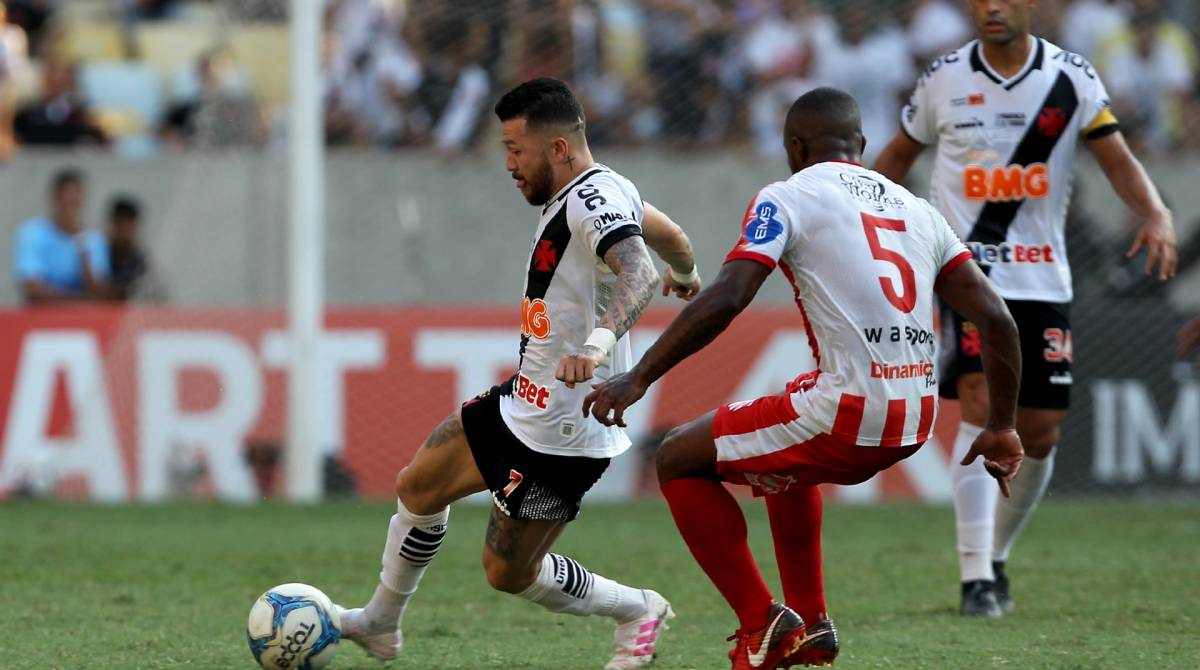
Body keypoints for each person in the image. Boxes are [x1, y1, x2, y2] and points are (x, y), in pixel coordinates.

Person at [584, 87, 1023, 670]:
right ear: (861, 145)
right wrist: (1001, 426)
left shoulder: (787, 196)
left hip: (850, 412)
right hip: (917, 418)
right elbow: (997, 319)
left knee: (676, 456)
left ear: (794, 147)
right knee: (784, 448)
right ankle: (811, 624)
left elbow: (730, 294)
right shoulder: (918, 209)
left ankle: (760, 624)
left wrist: (640, 375)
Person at [333, 78, 702, 669]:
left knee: (508, 573)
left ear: (558, 148)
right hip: (523, 399)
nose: (508, 163)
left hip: (564, 429)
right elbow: (670, 238)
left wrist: (598, 346)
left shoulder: (591, 200)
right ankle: (380, 623)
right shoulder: (606, 190)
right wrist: (686, 270)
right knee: (418, 487)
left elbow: (638, 272)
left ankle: (637, 609)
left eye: (514, 149)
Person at [872, 0, 1176, 617]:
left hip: (1042, 278)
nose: (992, 8)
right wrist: (872, 222)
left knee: (1039, 432)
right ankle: (975, 578)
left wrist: (1155, 211)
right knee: (981, 403)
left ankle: (995, 556)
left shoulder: (1071, 77)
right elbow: (897, 158)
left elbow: (1116, 159)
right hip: (966, 273)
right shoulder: (944, 78)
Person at [13, 168, 112, 304]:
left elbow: (99, 292)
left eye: (77, 197)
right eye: (68, 197)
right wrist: (81, 300)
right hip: (43, 315)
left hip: (82, 315)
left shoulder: (94, 240)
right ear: (55, 198)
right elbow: (32, 289)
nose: (72, 204)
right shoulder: (31, 233)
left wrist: (80, 243)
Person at [106, 195, 150, 301]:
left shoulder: (138, 259)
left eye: (130, 225)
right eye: (123, 224)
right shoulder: (101, 253)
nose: (127, 230)